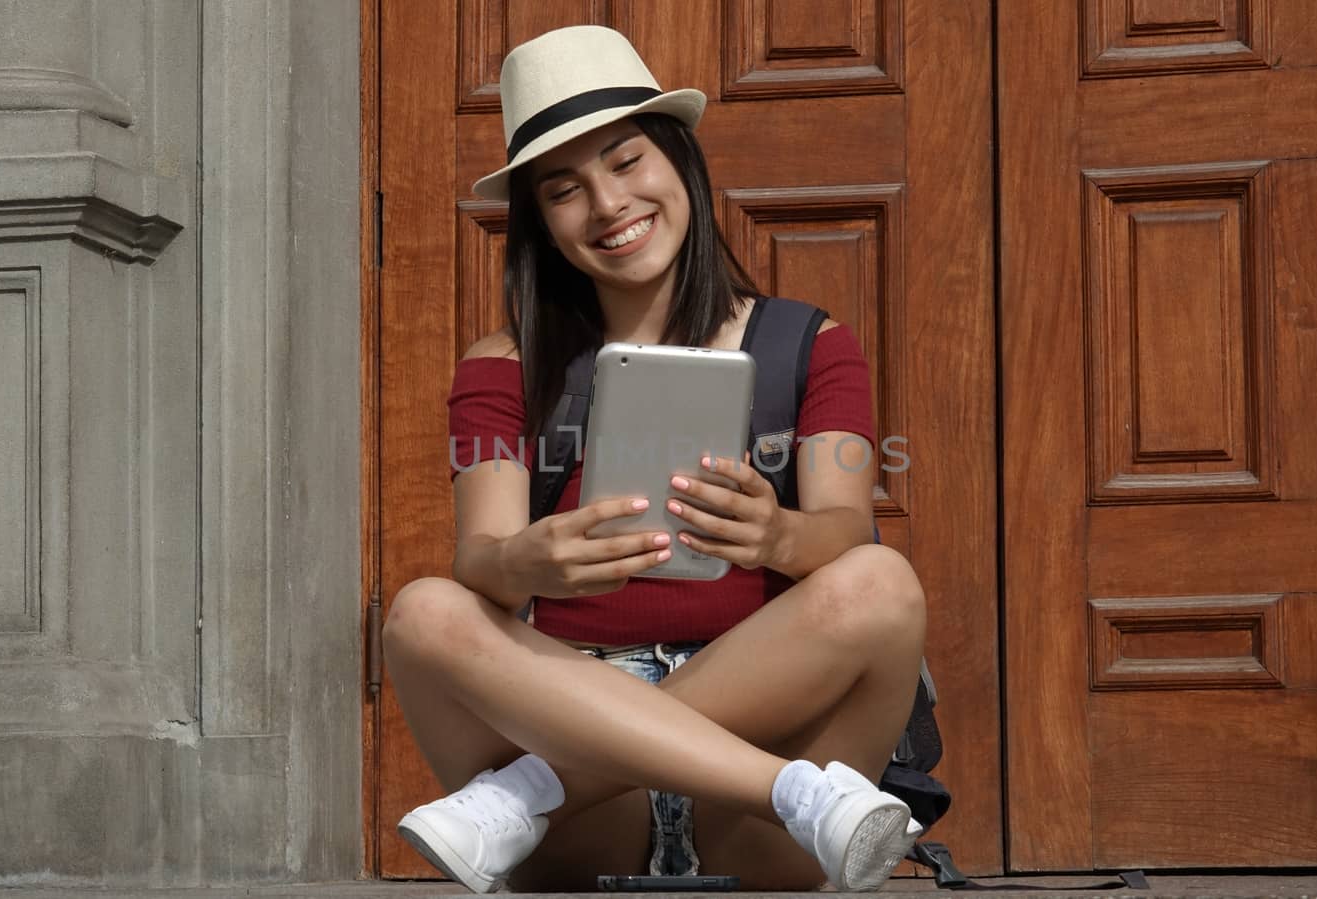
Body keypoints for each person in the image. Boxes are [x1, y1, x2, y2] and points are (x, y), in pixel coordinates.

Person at [383, 24, 928, 893]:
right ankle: (794, 793)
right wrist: (525, 560)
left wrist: (777, 533)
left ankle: (523, 795)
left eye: (627, 161)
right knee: (421, 612)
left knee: (883, 581)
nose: (607, 205)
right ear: (541, 225)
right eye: (565, 190)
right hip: (596, 757)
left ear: (681, 163)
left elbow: (844, 530)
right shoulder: (502, 365)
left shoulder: (810, 344)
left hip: (769, 740)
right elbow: (477, 560)